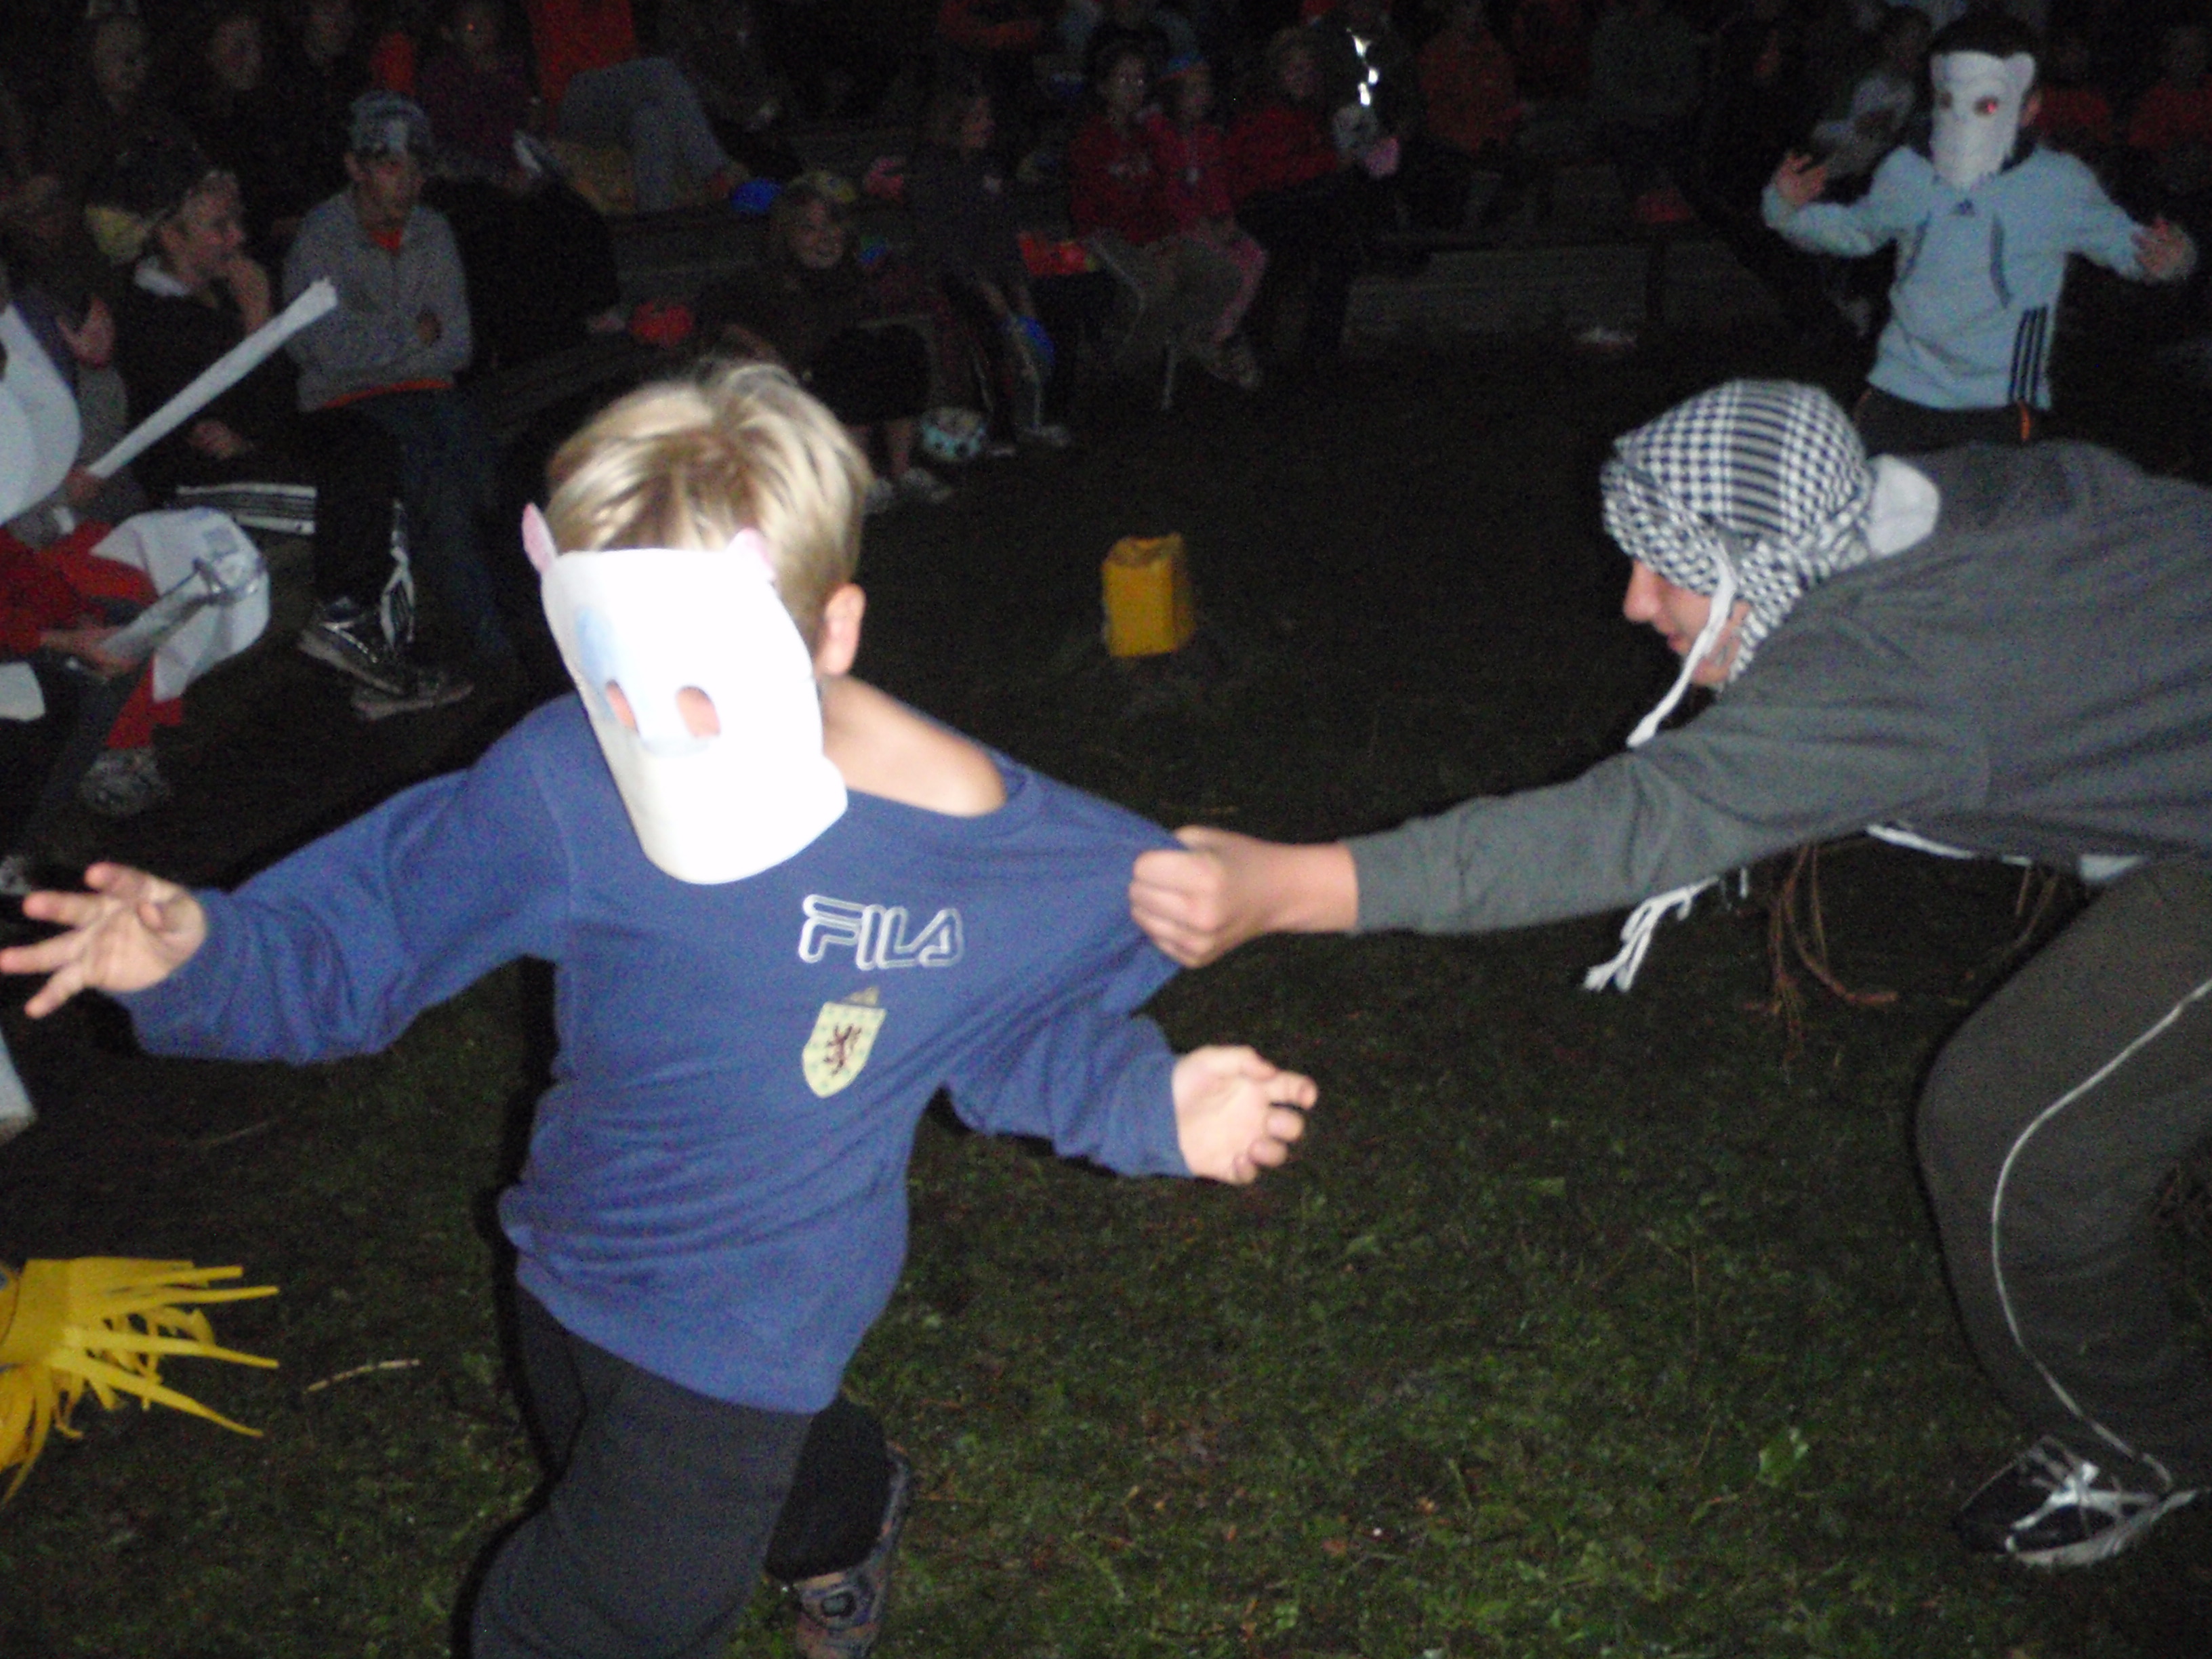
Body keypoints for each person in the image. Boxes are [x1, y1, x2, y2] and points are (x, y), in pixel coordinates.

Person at [0, 358, 1318, 1659]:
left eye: (695, 673)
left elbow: (1003, 1023)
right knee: (684, 1466)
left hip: (757, 1316)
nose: (646, 718)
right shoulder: (568, 780)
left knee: (578, 1618)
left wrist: (1144, 1099)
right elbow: (371, 935)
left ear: (832, 632)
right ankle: (847, 1507)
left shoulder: (958, 843)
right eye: (608, 669)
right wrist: (200, 957)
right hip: (574, 1249)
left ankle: (781, 1500)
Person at [1128, 376, 2212, 1570]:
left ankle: (2142, 1446)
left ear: (1765, 556)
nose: (1635, 599)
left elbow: (1638, 826)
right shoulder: (1928, 509)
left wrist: (1289, 886)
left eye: (1670, 565)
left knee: (2013, 1136)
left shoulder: (1903, 663)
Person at [99, 134, 464, 718]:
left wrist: (255, 391)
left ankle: (352, 633)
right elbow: (205, 423)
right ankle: (368, 654)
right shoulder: (148, 316)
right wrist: (257, 324)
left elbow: (275, 403)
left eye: (236, 222)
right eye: (219, 227)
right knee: (375, 507)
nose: (236, 238)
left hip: (254, 453)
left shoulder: (224, 289)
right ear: (171, 237)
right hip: (193, 484)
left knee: (366, 447)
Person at [1764, 13, 2198, 454]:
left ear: (2029, 108)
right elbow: (1856, 230)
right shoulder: (1908, 171)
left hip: (1999, 404)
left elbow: (2125, 244)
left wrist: (2167, 256)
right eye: (1948, 99)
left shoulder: (2056, 185)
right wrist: (1788, 211)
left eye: (1987, 105)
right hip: (1901, 389)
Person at [284, 91, 514, 672]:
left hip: (429, 392)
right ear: (356, 167)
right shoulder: (321, 238)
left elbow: (457, 345)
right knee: (432, 479)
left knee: (487, 468)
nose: (408, 184)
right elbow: (322, 349)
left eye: (416, 170)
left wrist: (383, 345)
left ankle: (524, 615)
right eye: (391, 167)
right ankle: (491, 646)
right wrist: (415, 335)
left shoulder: (433, 231)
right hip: (348, 406)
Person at [695, 175, 953, 514]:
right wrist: (760, 347)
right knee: (851, 352)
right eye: (810, 229)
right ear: (788, 235)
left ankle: (902, 470)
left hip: (860, 375)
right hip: (807, 379)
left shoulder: (857, 273)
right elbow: (714, 310)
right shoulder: (770, 279)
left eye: (832, 226)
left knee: (901, 342)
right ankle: (859, 477)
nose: (826, 238)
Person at [905, 83, 1078, 446]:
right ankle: (999, 425)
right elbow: (943, 244)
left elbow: (1005, 234)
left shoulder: (990, 167)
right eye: (977, 117)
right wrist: (988, 290)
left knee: (1058, 311)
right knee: (988, 326)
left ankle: (1044, 412)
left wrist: (1020, 289)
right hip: (952, 274)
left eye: (988, 116)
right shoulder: (930, 171)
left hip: (998, 271)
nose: (987, 124)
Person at [1069, 42, 1248, 387]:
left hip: (1153, 234)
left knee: (1224, 276)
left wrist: (1165, 240)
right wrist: (1152, 247)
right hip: (1105, 236)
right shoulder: (1091, 140)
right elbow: (1104, 207)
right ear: (1103, 87)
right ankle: (1121, 371)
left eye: (1140, 81)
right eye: (1124, 80)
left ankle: (1168, 346)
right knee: (1154, 291)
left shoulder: (1145, 137)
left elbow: (1159, 195)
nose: (1134, 89)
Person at [1227, 26, 1363, 369]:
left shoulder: (1310, 114)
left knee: (1336, 243)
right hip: (1261, 211)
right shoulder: (1263, 114)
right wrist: (1333, 163)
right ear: (1277, 72)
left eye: (1309, 69)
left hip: (1295, 210)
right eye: (1294, 69)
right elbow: (1273, 175)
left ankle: (1317, 349)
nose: (1303, 77)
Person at [1145, 56, 1265, 388]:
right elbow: (1167, 190)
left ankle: (1221, 332)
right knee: (1219, 258)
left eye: (1205, 89)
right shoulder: (1157, 134)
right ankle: (1204, 335)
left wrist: (1224, 219)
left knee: (1252, 255)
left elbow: (1214, 185)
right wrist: (1200, 223)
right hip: (1173, 228)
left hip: (1205, 223)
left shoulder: (1208, 136)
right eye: (1193, 90)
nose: (1201, 98)